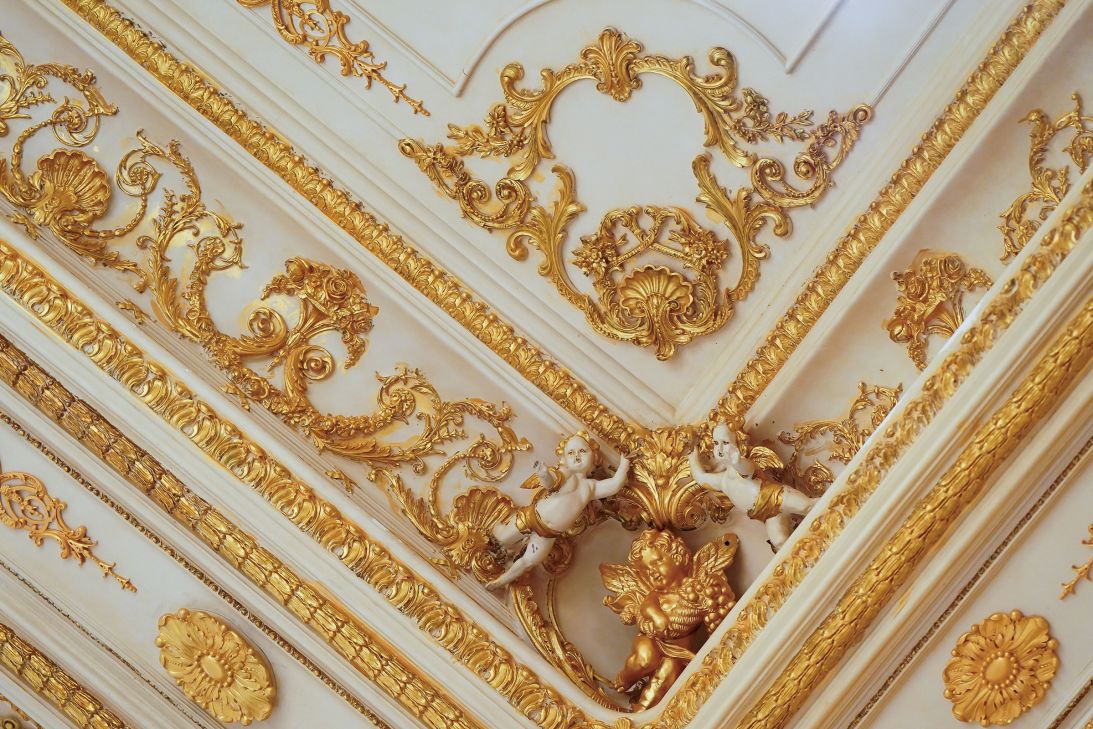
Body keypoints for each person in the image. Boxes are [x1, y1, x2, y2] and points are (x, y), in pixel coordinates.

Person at [488, 432, 630, 589]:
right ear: (565, 459)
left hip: (548, 535)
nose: (577, 456)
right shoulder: (566, 474)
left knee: (529, 561)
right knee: (501, 538)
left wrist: (625, 461)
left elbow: (615, 484)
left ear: (594, 458)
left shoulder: (591, 487)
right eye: (571, 453)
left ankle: (501, 580)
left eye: (582, 451)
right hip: (532, 517)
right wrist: (544, 474)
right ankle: (496, 540)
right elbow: (551, 483)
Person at [689, 423, 817, 549]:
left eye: (725, 443)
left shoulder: (743, 464)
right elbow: (701, 478)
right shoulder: (722, 480)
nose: (720, 448)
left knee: (808, 506)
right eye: (716, 443)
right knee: (780, 543)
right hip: (767, 516)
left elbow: (747, 471)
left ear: (737, 444)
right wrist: (692, 453)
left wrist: (737, 462)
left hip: (777, 498)